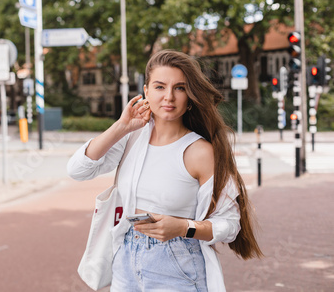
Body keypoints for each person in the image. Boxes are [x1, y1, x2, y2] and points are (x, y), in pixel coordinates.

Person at [67, 49, 262, 291]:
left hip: (176, 264)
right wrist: (121, 126)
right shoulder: (132, 138)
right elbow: (77, 170)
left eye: (179, 88)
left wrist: (182, 227)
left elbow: (230, 224)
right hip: (126, 258)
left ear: (190, 97)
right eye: (159, 87)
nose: (169, 96)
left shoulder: (200, 152)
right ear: (146, 91)